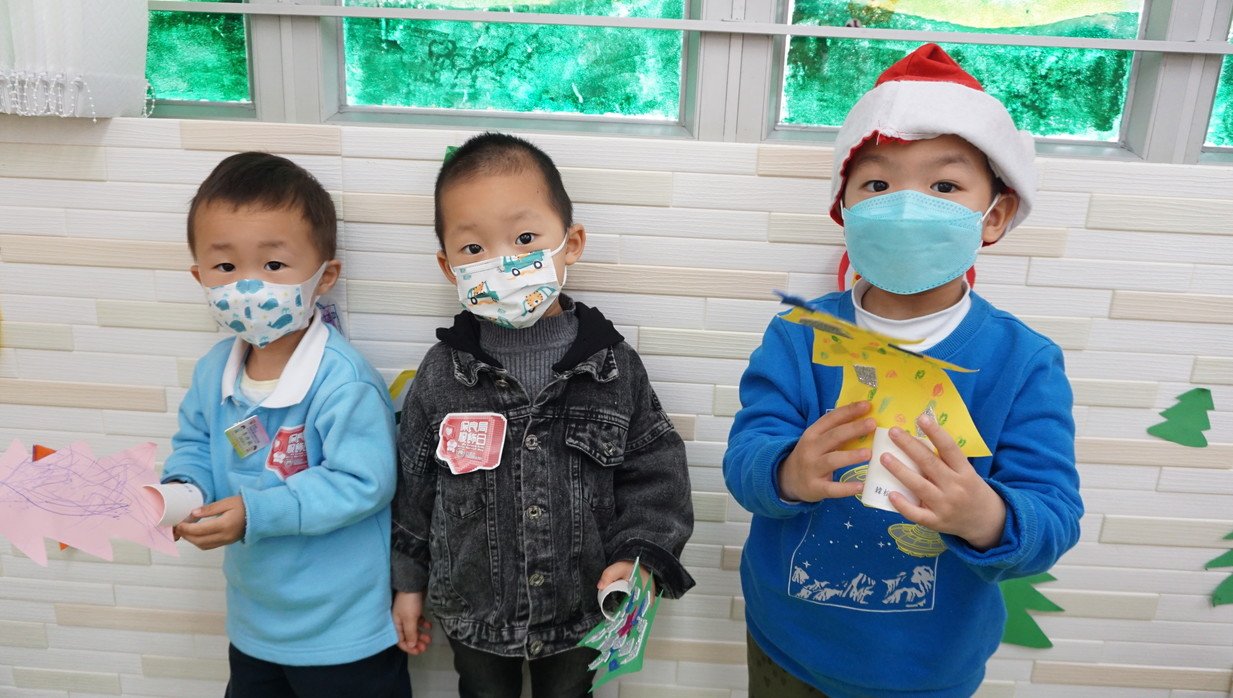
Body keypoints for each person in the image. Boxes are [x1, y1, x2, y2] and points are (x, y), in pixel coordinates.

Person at [723, 44, 1084, 697]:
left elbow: (1053, 515)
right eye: (877, 185)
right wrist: (786, 471)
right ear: (845, 210)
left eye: (944, 186)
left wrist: (984, 515)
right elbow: (744, 458)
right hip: (786, 642)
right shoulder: (798, 336)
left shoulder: (1022, 362)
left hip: (926, 668)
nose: (907, 205)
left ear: (995, 216)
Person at [390, 132, 695, 697]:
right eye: (473, 248)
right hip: (474, 615)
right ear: (448, 266)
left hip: (583, 611)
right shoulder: (440, 373)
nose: (502, 262)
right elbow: (413, 488)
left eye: (525, 239)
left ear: (571, 243)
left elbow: (657, 474)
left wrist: (639, 559)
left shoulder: (613, 367)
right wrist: (408, 585)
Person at [162, 152, 409, 697]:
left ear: (325, 277)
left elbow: (364, 481)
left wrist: (256, 512)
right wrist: (182, 493)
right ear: (200, 276)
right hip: (254, 624)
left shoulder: (342, 381)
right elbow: (195, 446)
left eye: (273, 265)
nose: (248, 285)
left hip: (343, 631)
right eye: (226, 268)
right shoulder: (213, 373)